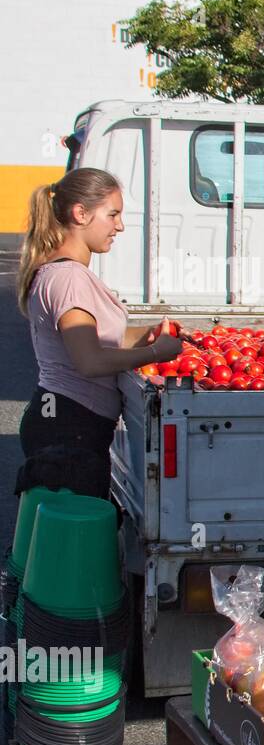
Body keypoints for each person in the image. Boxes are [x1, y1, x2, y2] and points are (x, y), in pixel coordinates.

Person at [16, 168, 181, 500]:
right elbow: (89, 361)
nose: (118, 226)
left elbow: (90, 339)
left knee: (60, 538)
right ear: (80, 213)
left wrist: (143, 336)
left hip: (59, 417)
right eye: (113, 214)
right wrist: (155, 353)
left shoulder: (56, 271)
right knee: (73, 543)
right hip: (70, 427)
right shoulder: (69, 278)